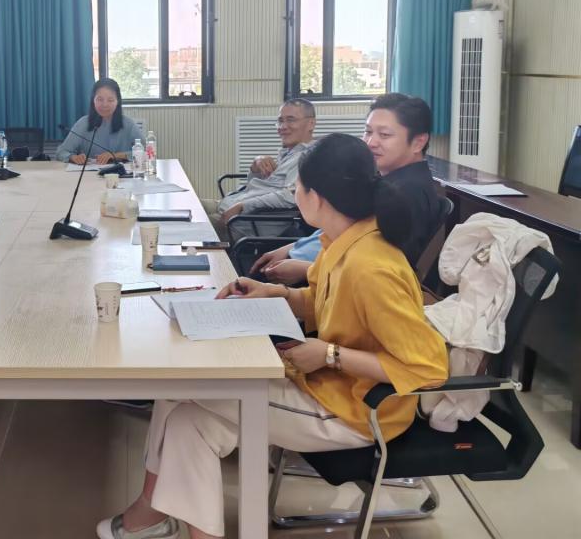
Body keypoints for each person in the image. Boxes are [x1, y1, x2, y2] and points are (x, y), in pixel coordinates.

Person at [97, 133, 448, 539]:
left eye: (298, 187)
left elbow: (428, 368)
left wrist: (330, 354)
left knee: (184, 391)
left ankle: (148, 515)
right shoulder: (346, 241)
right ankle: (152, 518)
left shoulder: (370, 266)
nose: (294, 194)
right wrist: (276, 293)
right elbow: (328, 302)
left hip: (356, 410)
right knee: (189, 421)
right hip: (325, 385)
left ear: (317, 198)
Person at [252, 93, 443, 286]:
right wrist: (292, 247)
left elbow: (377, 270)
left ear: (418, 142)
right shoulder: (388, 180)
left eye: (384, 135)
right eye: (368, 132)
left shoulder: (408, 194)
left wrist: (306, 270)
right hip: (316, 262)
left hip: (331, 282)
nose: (371, 142)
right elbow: (345, 230)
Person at [202, 99, 316, 239]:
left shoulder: (310, 157)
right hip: (230, 206)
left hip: (243, 223)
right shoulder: (289, 152)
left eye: (291, 120)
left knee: (188, 224)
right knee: (189, 205)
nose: (283, 126)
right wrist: (255, 170)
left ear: (311, 124)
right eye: (280, 121)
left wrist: (243, 205)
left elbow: (291, 196)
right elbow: (258, 186)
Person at [56, 78, 144, 165]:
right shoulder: (83, 123)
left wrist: (116, 155)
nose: (105, 104)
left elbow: (146, 152)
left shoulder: (128, 124)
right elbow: (61, 152)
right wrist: (73, 157)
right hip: (90, 173)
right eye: (100, 99)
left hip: (120, 173)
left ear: (117, 101)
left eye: (110, 100)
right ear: (93, 100)